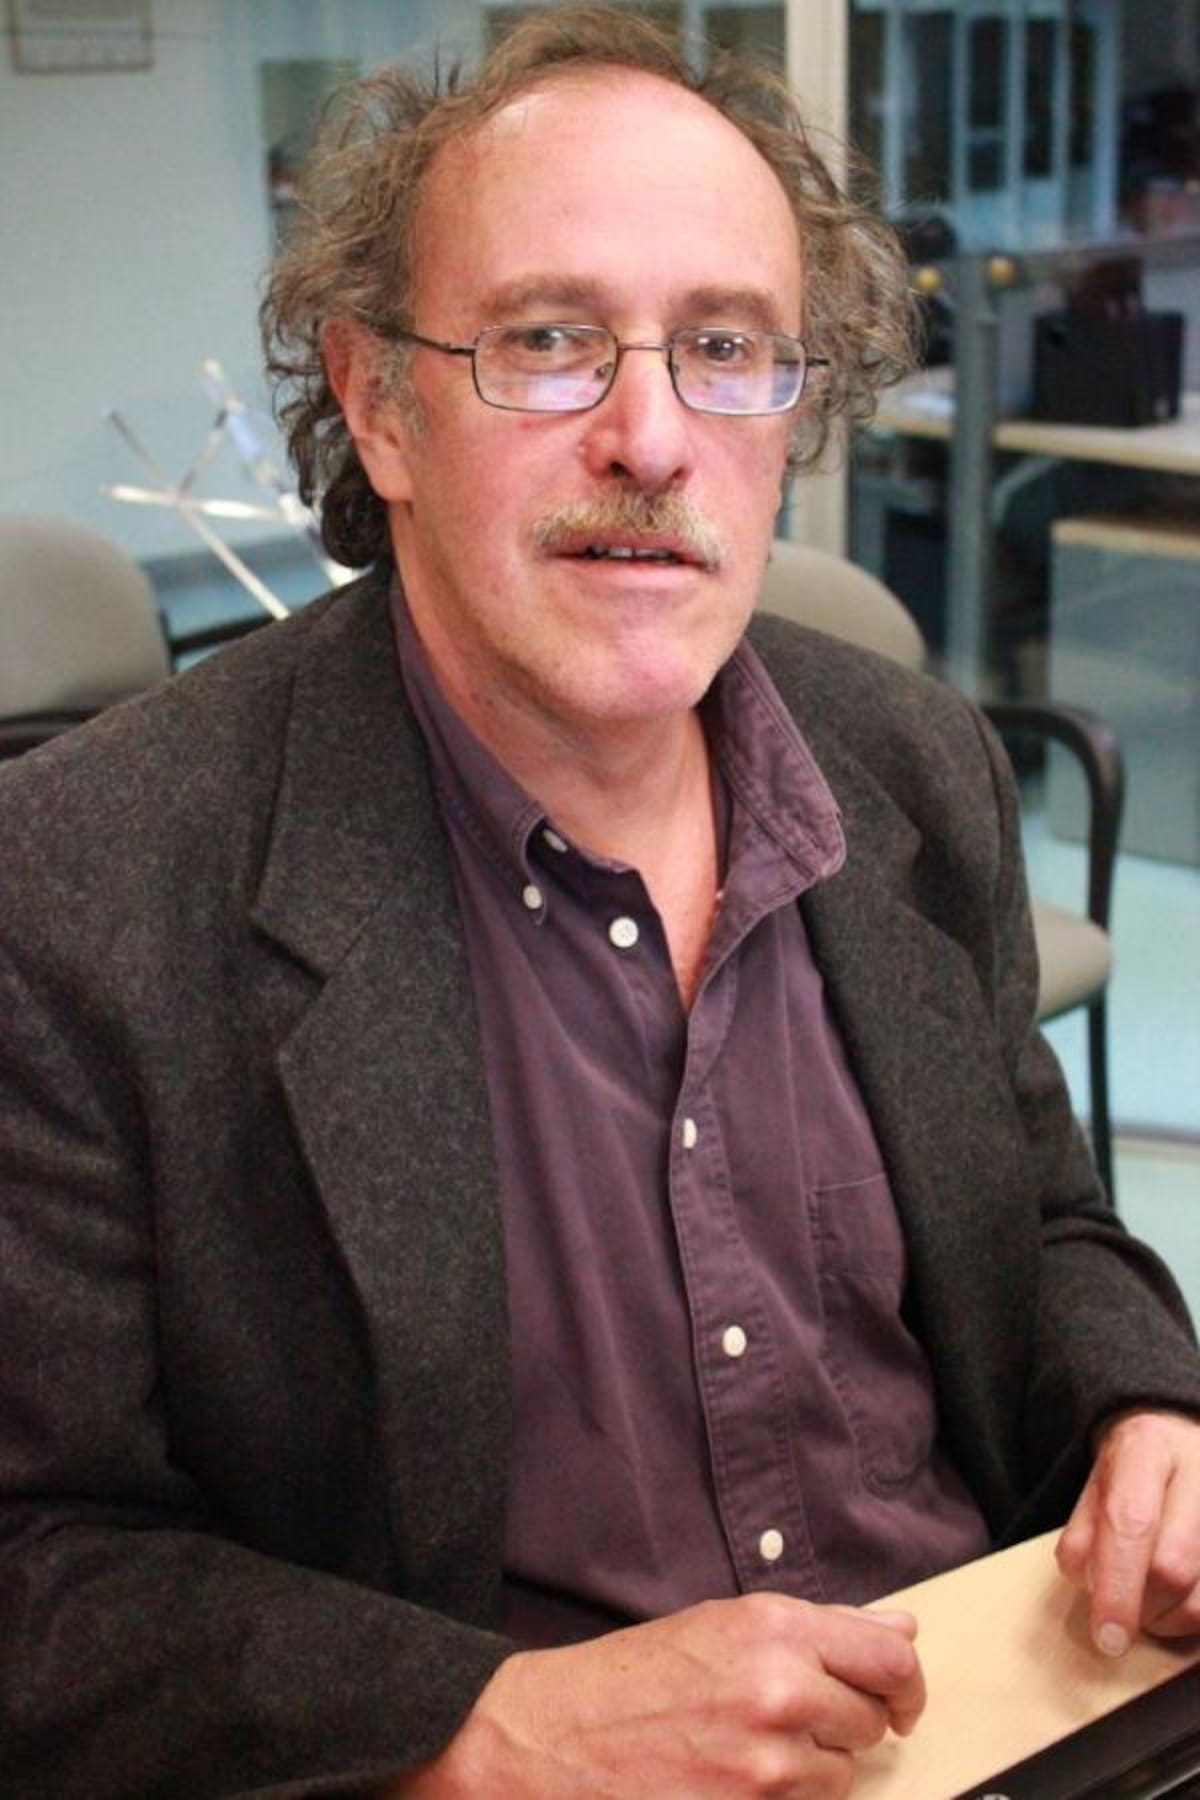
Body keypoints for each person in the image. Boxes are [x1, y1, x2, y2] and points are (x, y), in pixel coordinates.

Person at [1, 9, 1199, 1797]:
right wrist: (488, 1726)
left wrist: (1147, 1407)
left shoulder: (915, 766)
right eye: (550, 341)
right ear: (379, 404)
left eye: (726, 347)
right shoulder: (83, 887)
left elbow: (1038, 1224)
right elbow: (35, 1564)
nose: (651, 437)